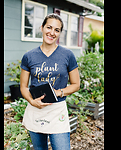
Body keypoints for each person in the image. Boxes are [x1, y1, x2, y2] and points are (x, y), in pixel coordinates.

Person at [20, 13, 80, 150]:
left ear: (60, 33)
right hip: (36, 109)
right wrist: (31, 101)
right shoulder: (29, 56)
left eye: (57, 30)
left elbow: (76, 85)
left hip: (57, 110)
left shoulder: (68, 55)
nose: (52, 33)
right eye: (49, 27)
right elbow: (23, 87)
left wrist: (57, 92)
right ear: (42, 28)